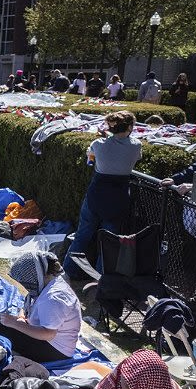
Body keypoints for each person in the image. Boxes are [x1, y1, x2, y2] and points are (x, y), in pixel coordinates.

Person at [64, 112, 142, 279]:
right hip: (118, 196)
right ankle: (101, 278)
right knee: (108, 241)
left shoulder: (97, 144)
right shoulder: (136, 145)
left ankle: (68, 271)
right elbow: (131, 152)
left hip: (97, 194)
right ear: (129, 127)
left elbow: (91, 158)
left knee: (82, 235)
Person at [0, 252, 81, 363]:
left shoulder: (54, 297)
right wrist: (21, 318)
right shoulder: (49, 283)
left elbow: (48, 334)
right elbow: (29, 306)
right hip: (45, 336)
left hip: (56, 350)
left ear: (34, 275)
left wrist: (15, 324)